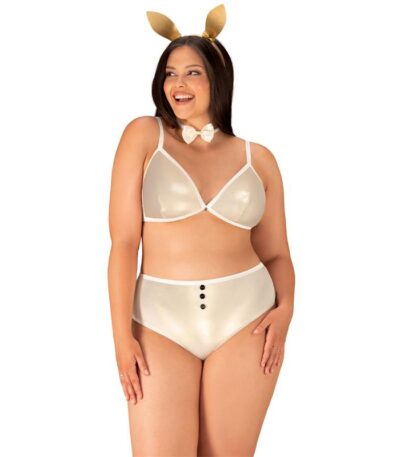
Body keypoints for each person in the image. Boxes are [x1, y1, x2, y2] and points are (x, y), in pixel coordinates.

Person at [107, 4, 295, 456]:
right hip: (159, 321)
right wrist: (120, 338)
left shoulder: (258, 159)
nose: (179, 84)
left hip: (247, 319)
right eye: (170, 74)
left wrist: (286, 309)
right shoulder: (143, 135)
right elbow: (124, 244)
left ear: (218, 79)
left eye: (193, 73)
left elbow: (277, 254)